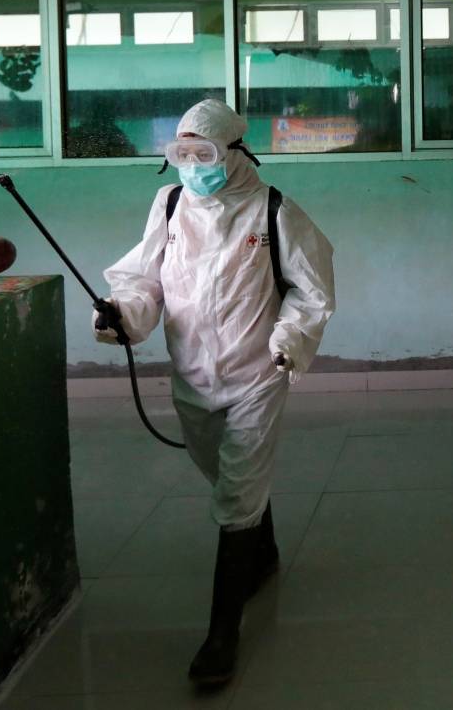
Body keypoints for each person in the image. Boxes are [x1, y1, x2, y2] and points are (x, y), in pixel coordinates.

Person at [93, 97, 336, 685]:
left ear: (233, 152)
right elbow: (143, 280)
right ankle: (266, 551)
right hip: (192, 375)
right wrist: (124, 313)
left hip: (257, 372)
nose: (193, 164)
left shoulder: (272, 209)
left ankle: (220, 638)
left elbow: (311, 289)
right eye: (183, 154)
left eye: (204, 154)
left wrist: (290, 339)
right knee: (228, 474)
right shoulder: (170, 204)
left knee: (235, 494)